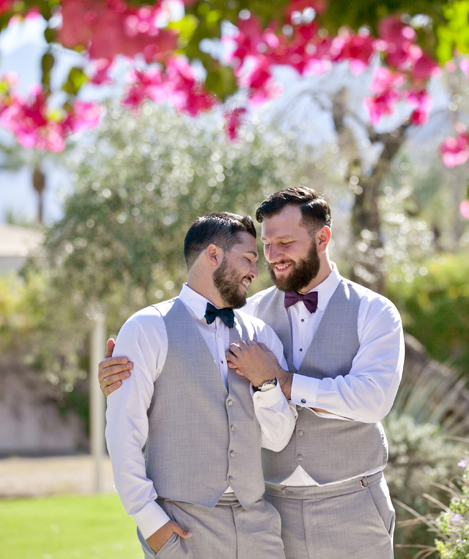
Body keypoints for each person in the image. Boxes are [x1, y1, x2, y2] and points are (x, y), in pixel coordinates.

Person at [101, 188, 405, 559]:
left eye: (286, 242)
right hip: (274, 510)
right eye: (266, 245)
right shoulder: (253, 315)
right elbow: (147, 409)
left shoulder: (374, 312)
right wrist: (122, 377)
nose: (272, 257)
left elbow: (373, 400)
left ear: (322, 238)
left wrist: (280, 381)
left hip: (351, 505)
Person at [105, 212, 296, 559]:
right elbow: (123, 433)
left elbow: (278, 437)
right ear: (213, 255)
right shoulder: (147, 327)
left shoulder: (260, 334)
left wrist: (266, 384)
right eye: (249, 259)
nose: (255, 271)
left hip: (258, 527)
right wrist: (151, 523)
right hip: (182, 527)